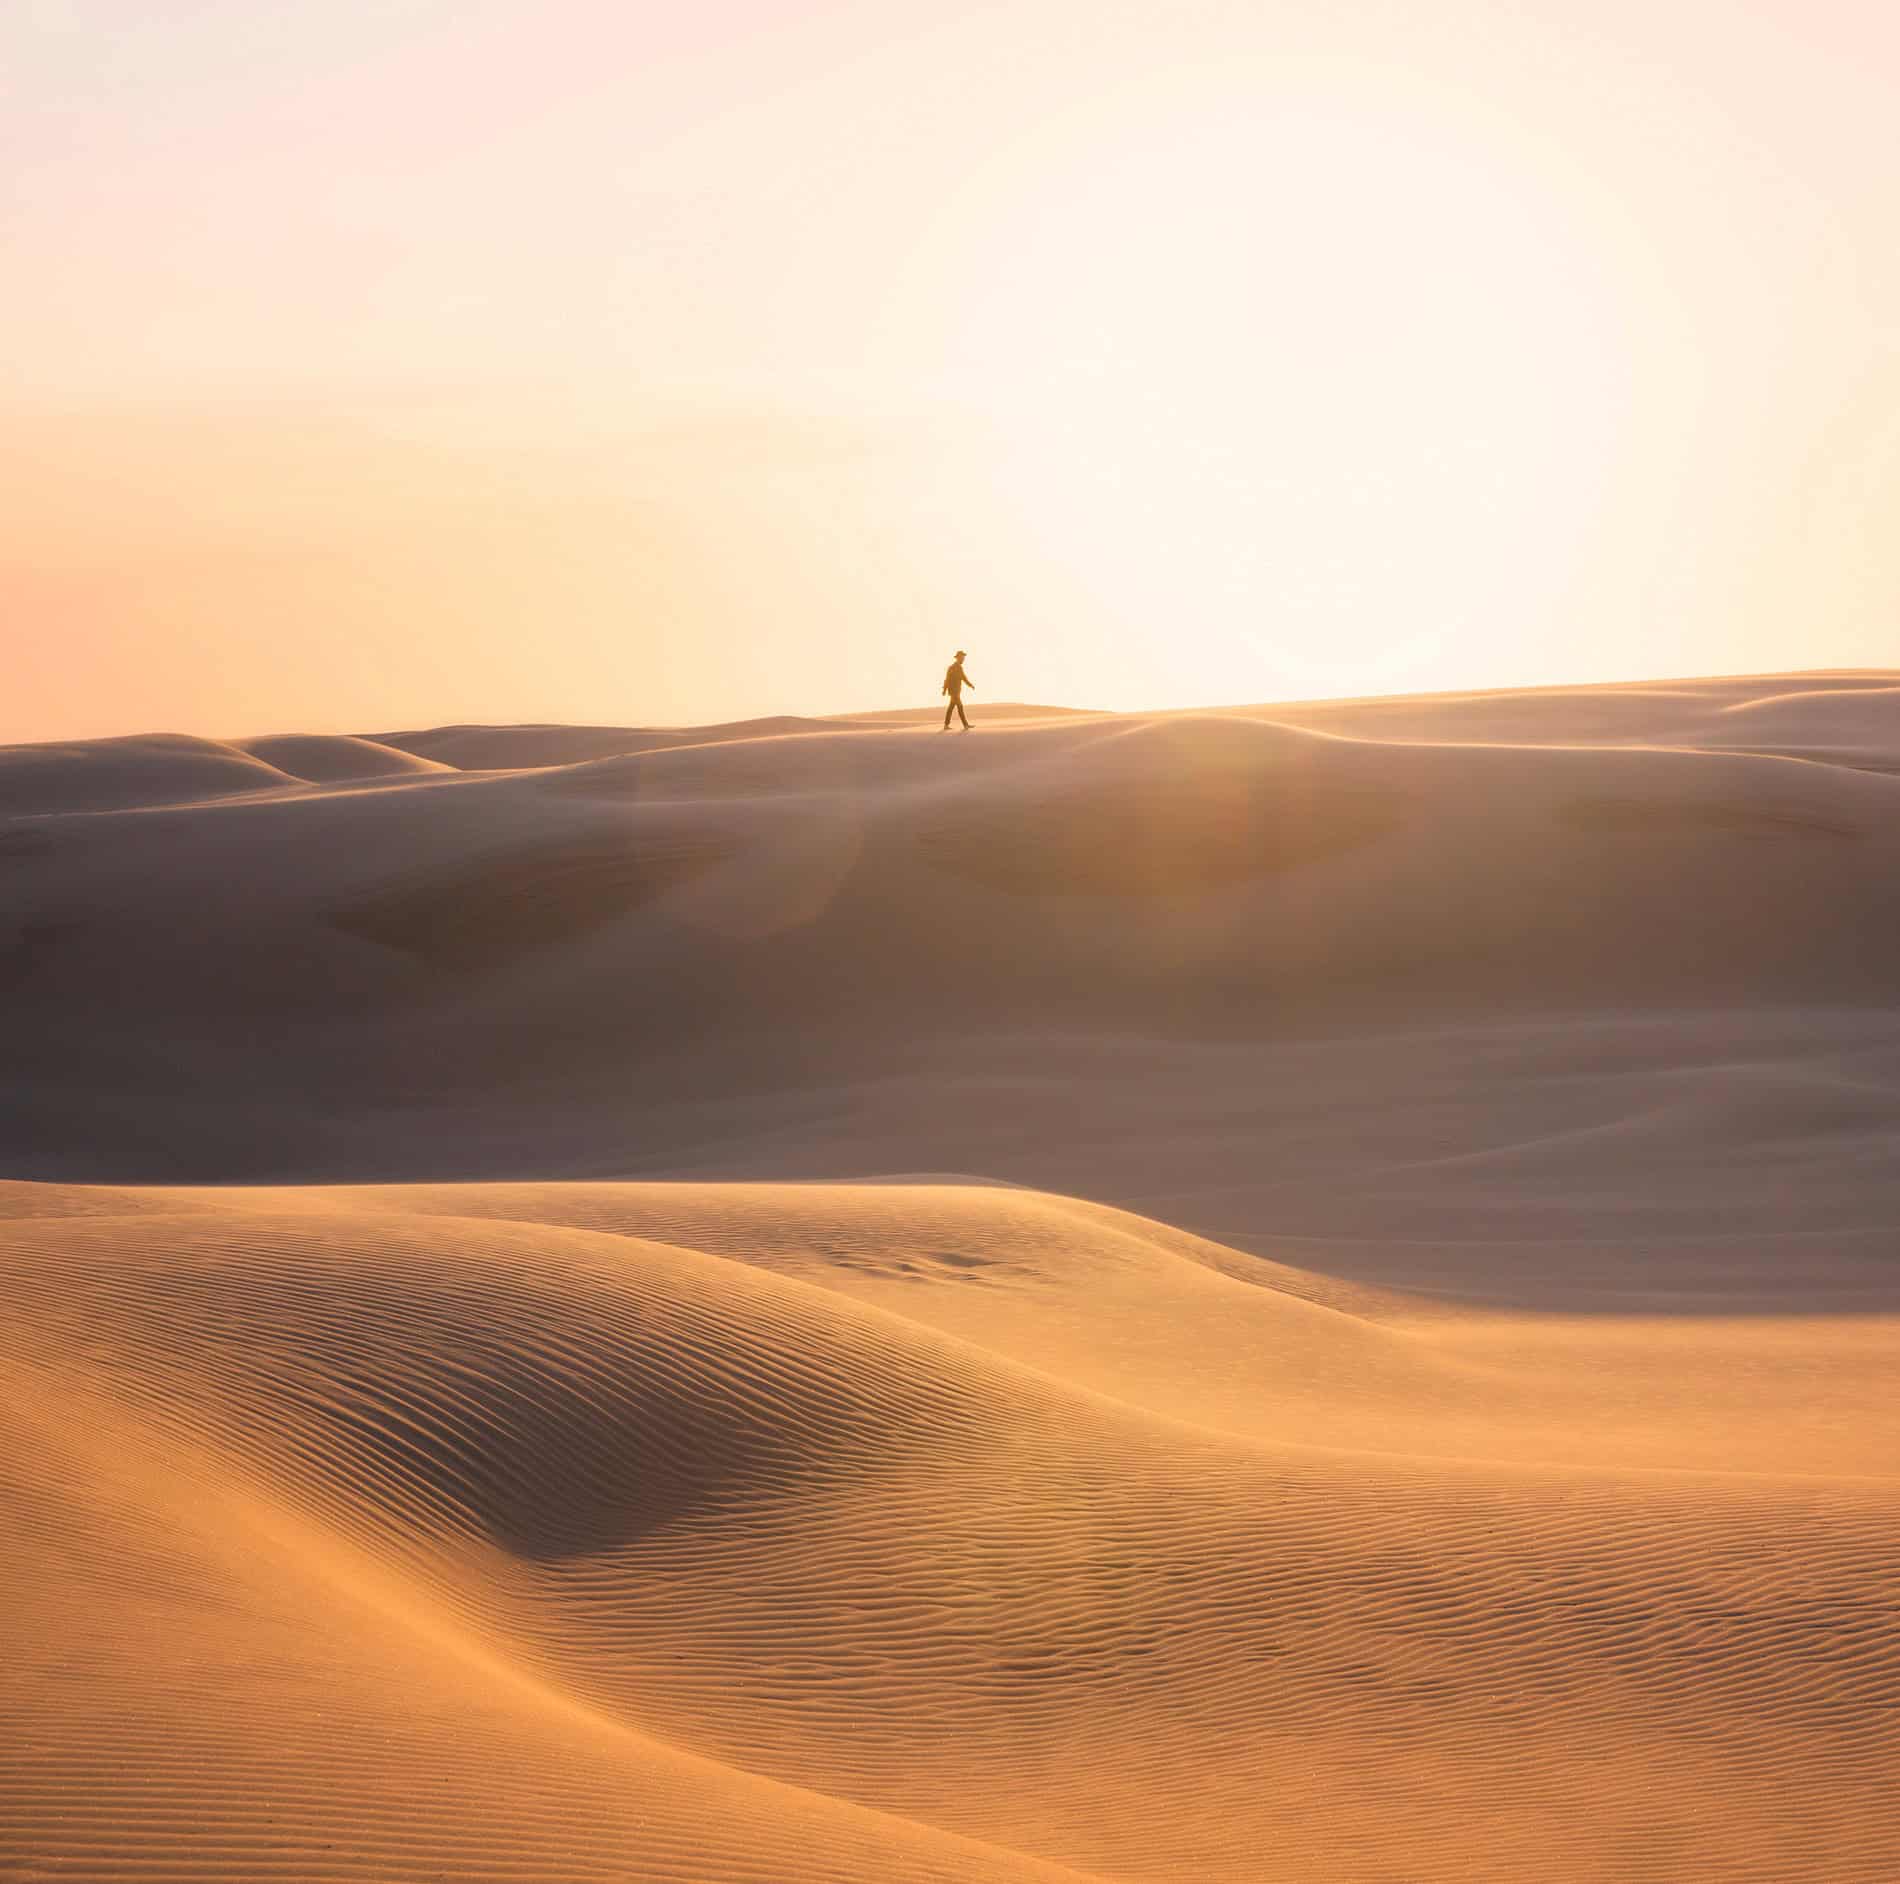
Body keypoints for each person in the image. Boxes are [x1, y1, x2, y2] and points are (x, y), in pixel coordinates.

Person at [941, 649, 974, 731]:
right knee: (960, 707)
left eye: (963, 658)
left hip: (956, 691)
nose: (963, 659)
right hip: (954, 692)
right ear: (958, 658)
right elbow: (947, 679)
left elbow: (963, 678)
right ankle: (965, 725)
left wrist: (970, 685)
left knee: (951, 707)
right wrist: (944, 690)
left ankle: (946, 724)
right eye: (962, 658)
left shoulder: (959, 667)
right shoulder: (952, 668)